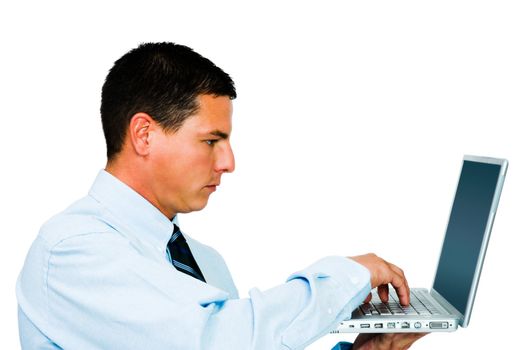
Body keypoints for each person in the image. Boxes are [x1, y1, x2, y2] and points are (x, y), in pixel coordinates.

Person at [16, 42, 427, 349]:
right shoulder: (73, 252)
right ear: (144, 135)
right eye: (212, 140)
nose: (228, 162)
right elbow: (216, 342)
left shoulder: (202, 262)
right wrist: (345, 276)